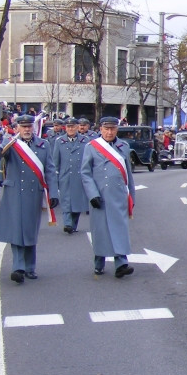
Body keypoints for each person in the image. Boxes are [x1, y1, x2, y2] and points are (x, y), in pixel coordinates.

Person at [0, 114, 59, 283]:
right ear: (17, 128)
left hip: (33, 193)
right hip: (14, 193)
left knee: (29, 230)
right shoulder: (12, 144)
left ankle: (30, 267)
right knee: (16, 229)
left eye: (29, 126)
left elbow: (50, 170)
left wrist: (54, 194)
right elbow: (1, 151)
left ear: (34, 127)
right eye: (23, 127)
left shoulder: (43, 145)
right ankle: (18, 267)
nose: (27, 129)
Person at [80, 117, 136, 278]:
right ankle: (99, 262)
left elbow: (129, 175)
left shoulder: (123, 147)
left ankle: (121, 263)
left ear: (117, 130)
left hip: (118, 195)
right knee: (101, 230)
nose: (110, 132)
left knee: (119, 229)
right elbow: (85, 173)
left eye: (113, 129)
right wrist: (92, 194)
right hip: (99, 195)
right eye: (107, 129)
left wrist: (131, 196)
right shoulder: (91, 147)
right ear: (101, 129)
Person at [52, 117, 88, 233]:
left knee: (77, 201)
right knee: (66, 200)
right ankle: (67, 224)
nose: (71, 129)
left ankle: (73, 224)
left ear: (77, 127)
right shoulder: (59, 141)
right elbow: (55, 161)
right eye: (68, 127)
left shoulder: (85, 141)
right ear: (65, 128)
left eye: (73, 126)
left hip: (79, 176)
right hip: (65, 175)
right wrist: (55, 178)